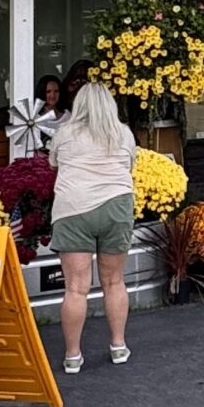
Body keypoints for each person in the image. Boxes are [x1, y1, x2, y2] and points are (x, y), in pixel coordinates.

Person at [48, 81, 138, 373]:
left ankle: (73, 356)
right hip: (116, 207)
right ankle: (118, 345)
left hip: (73, 210)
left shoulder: (65, 133)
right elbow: (130, 166)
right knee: (114, 281)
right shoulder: (123, 134)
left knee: (76, 288)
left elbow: (53, 164)